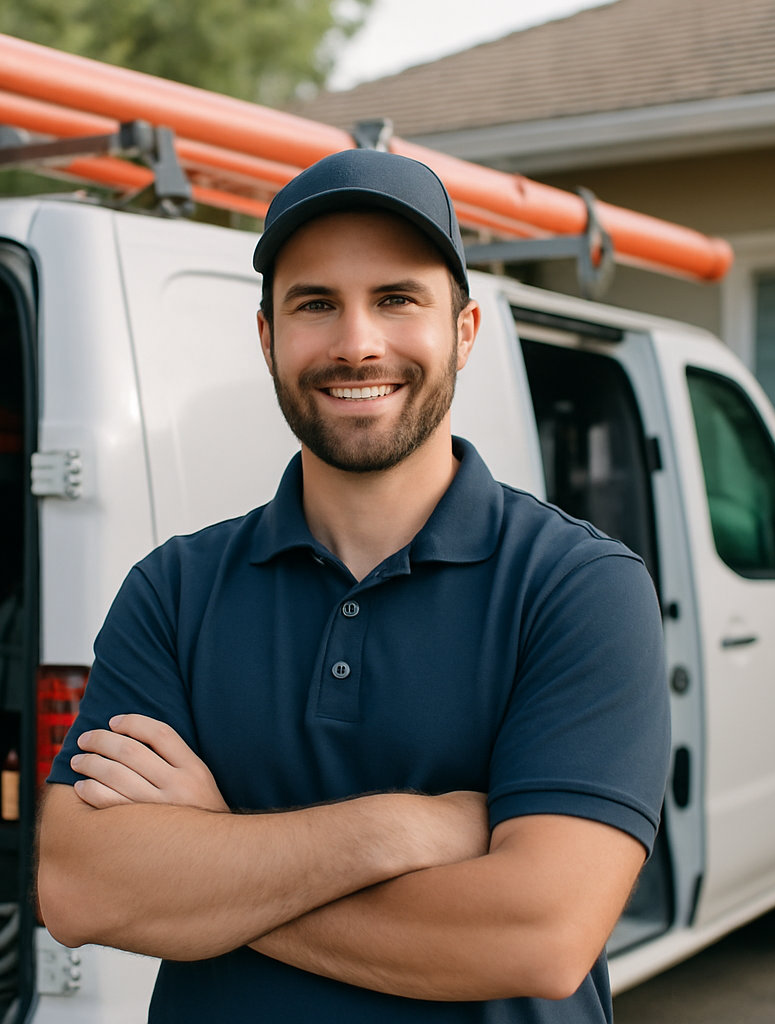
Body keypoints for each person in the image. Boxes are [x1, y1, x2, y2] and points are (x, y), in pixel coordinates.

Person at [37, 148, 670, 1023]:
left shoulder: (578, 589)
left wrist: (211, 861)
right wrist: (403, 830)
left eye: (397, 299)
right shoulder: (174, 590)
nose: (356, 342)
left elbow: (538, 934)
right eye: (316, 304)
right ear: (268, 338)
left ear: (465, 331)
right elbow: (82, 888)